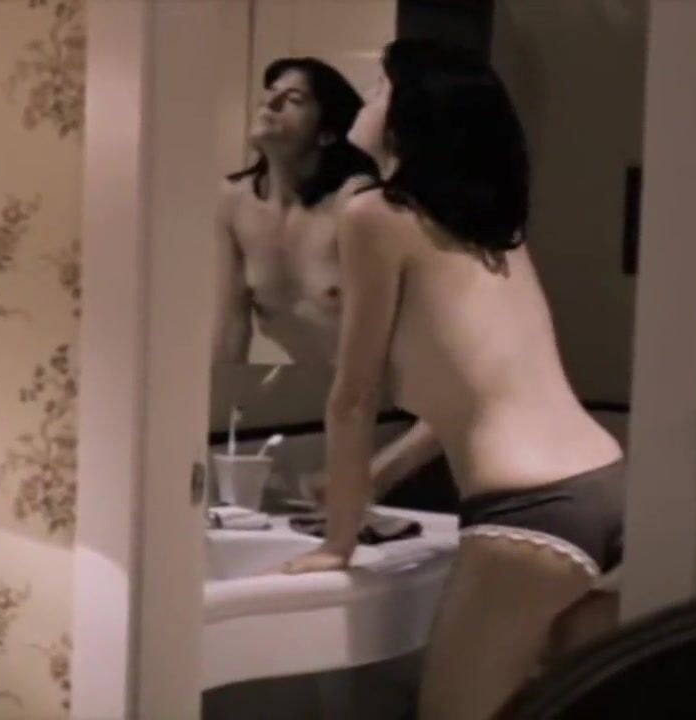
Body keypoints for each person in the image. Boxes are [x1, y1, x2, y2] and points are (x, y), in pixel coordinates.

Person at [277, 40, 626, 720]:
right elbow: (473, 396)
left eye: (381, 88)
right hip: (601, 484)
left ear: (410, 116)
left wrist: (338, 543)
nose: (368, 98)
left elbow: (353, 396)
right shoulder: (489, 232)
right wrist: (372, 478)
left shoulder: (375, 216)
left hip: (529, 513)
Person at [216, 57, 441, 500]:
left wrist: (372, 476)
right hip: (326, 419)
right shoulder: (233, 203)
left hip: (407, 429)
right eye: (270, 92)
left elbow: (447, 374)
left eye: (294, 98)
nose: (270, 103)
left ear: (326, 133)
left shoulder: (356, 206)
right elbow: (228, 338)